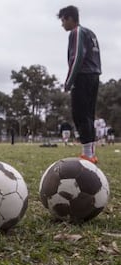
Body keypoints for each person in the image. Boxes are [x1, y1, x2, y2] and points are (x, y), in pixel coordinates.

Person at [58, 6, 101, 164]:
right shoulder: (91, 33)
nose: (62, 24)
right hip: (94, 76)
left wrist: (69, 81)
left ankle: (87, 154)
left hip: (82, 76)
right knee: (89, 115)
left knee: (79, 114)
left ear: (70, 18)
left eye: (63, 20)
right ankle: (91, 153)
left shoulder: (76, 32)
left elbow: (77, 57)